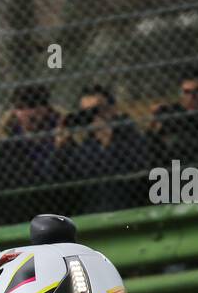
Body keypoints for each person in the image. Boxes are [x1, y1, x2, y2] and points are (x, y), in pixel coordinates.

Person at [48, 85, 149, 214]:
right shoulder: (85, 145)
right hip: (92, 212)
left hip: (127, 211)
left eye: (98, 110)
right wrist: (61, 150)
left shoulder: (130, 136)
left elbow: (137, 176)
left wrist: (108, 144)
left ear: (113, 109)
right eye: (86, 112)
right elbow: (57, 182)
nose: (93, 117)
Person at [0, 85, 63, 224]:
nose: (29, 113)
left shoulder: (62, 140)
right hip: (14, 218)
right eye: (21, 107)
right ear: (15, 111)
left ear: (46, 109)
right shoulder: (3, 149)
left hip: (56, 215)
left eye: (34, 106)